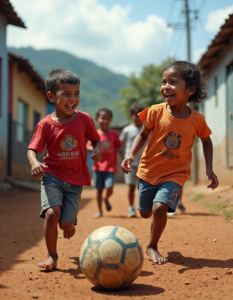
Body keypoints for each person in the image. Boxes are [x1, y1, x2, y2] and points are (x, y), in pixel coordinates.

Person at [121, 61, 218, 265]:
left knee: (159, 208)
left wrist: (209, 168)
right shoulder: (155, 111)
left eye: (173, 82)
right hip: (148, 171)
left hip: (176, 174)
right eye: (163, 82)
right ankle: (150, 226)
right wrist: (130, 154)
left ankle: (152, 245)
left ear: (190, 89)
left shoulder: (197, 120)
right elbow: (142, 134)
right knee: (146, 212)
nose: (165, 86)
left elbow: (206, 141)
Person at [27, 69, 101, 271]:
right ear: (51, 96)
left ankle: (70, 222)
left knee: (65, 225)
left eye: (76, 93)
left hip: (76, 179)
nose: (73, 98)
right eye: (66, 94)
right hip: (52, 176)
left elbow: (96, 139)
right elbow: (33, 149)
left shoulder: (84, 119)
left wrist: (96, 150)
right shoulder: (45, 124)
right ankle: (52, 255)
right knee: (52, 214)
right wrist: (34, 162)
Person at [87, 108, 124, 218]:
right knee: (99, 190)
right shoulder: (95, 134)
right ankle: (100, 211)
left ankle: (106, 198)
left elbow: (119, 147)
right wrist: (93, 149)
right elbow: (87, 146)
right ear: (97, 120)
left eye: (108, 119)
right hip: (97, 167)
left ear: (111, 120)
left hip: (110, 168)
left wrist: (124, 159)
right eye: (103, 118)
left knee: (109, 188)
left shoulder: (114, 134)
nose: (105, 121)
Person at [120, 103, 146, 218]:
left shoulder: (147, 129)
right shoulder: (127, 130)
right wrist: (124, 157)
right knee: (131, 186)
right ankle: (131, 208)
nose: (138, 118)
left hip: (145, 163)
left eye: (140, 115)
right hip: (130, 163)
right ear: (131, 116)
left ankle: (143, 207)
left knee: (143, 187)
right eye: (136, 115)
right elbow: (121, 144)